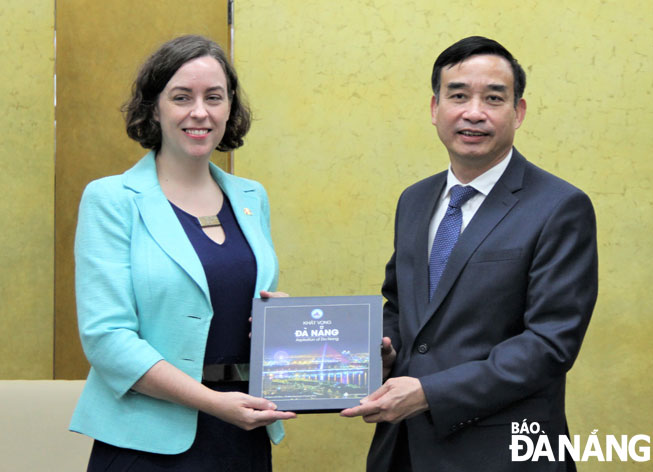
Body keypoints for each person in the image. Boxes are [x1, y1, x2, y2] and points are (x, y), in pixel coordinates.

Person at [341, 36, 598, 472]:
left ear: (518, 112)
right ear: (434, 108)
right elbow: (402, 306)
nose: (473, 112)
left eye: (493, 98)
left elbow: (549, 344)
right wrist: (383, 349)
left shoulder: (559, 206)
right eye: (457, 96)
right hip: (403, 449)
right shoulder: (415, 200)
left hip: (503, 454)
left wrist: (430, 393)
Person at [69, 35, 295, 471]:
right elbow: (107, 340)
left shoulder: (252, 197)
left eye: (214, 97)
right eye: (181, 97)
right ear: (154, 107)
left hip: (243, 434)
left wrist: (278, 323)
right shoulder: (112, 199)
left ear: (231, 108)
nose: (200, 112)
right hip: (147, 443)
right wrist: (213, 402)